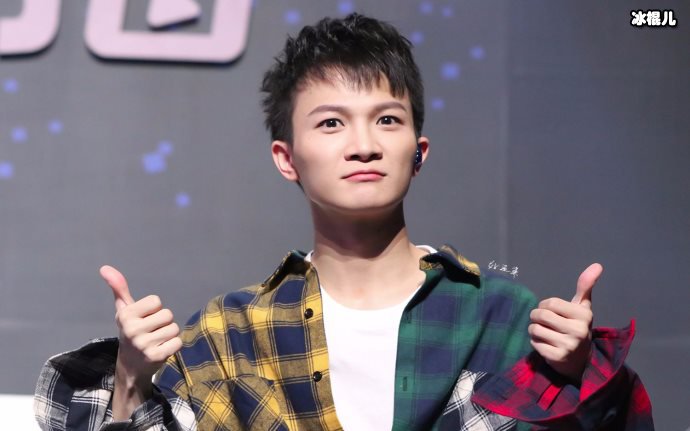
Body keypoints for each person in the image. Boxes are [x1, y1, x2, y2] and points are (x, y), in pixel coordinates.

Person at [34, 13, 653, 431]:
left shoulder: (504, 317)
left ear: (418, 151)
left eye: (387, 120)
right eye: (331, 123)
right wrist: (130, 380)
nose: (364, 145)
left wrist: (580, 377)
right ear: (287, 158)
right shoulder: (232, 335)